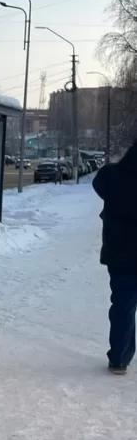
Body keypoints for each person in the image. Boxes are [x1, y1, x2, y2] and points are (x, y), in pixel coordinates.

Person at [92, 139, 137, 374]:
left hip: (119, 253)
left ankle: (119, 357)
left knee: (122, 304)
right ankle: (123, 353)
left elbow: (98, 183)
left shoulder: (113, 176)